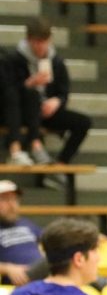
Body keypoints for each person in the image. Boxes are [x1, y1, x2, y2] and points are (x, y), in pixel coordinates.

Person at [5, 17, 92, 177]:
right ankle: (32, 145)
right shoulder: (13, 59)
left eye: (44, 41)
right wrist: (28, 83)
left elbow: (64, 91)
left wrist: (57, 101)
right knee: (31, 95)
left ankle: (60, 166)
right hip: (21, 111)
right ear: (28, 40)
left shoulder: (56, 61)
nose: (40, 46)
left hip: (44, 111)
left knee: (83, 122)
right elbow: (7, 92)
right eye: (36, 42)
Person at [0, 180, 44, 286]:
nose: (12, 205)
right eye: (5, 199)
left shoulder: (26, 223)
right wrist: (8, 269)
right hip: (16, 286)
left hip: (44, 278)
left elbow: (46, 243)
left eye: (14, 199)